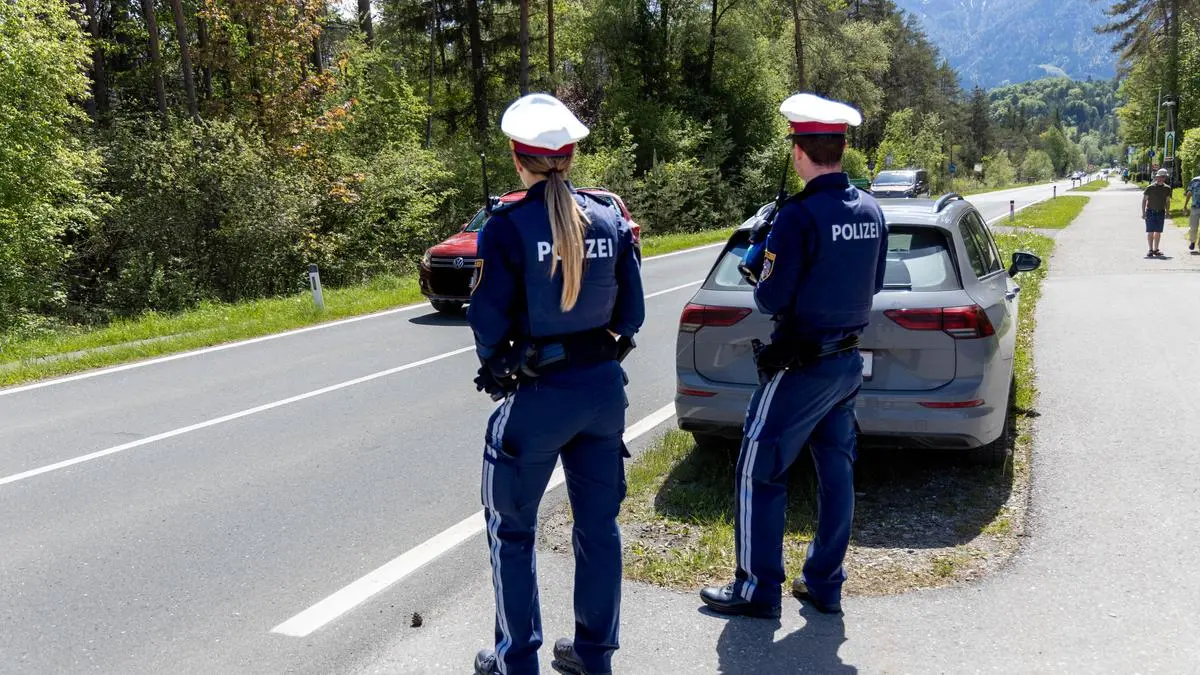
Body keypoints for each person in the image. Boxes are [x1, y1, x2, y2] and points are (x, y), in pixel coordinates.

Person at [468, 93, 645, 675]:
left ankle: (516, 661)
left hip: (540, 397)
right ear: (569, 157)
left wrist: (498, 364)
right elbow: (633, 313)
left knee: (511, 531)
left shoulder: (506, 225)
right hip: (602, 393)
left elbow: (487, 318)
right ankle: (594, 655)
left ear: (517, 158)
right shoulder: (609, 217)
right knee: (598, 528)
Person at [699, 93, 887, 618]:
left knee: (756, 469)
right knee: (836, 473)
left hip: (802, 365)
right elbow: (873, 283)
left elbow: (770, 298)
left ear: (799, 152)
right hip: (847, 364)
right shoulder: (871, 209)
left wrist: (762, 271)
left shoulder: (798, 216)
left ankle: (756, 588)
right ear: (841, 149)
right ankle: (825, 582)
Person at [1143, 168, 1173, 257]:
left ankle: (1156, 249)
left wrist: (1167, 212)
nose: (1163, 178)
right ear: (1157, 177)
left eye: (1164, 177)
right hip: (1150, 212)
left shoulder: (1167, 188)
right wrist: (1143, 213)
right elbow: (1144, 200)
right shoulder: (1150, 188)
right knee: (1150, 232)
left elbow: (1167, 201)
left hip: (1161, 212)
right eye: (1162, 176)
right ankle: (1150, 250)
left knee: (1158, 232)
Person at [1184, 171, 1200, 253]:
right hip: (1195, 207)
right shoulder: (1195, 180)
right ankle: (1193, 241)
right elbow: (1189, 193)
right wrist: (1185, 205)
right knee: (1193, 227)